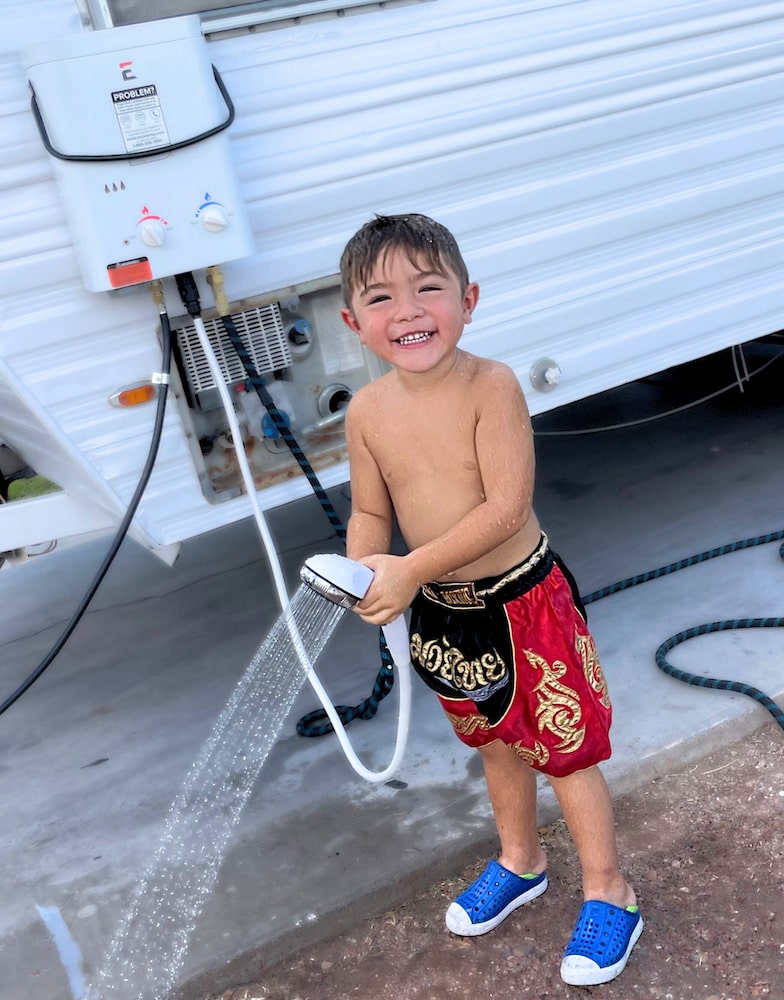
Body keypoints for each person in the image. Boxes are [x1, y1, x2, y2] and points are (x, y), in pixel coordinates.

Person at [338, 212, 642, 986]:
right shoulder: (367, 413)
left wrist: (408, 570)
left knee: (565, 752)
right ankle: (522, 860)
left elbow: (504, 507)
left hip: (524, 602)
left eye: (427, 288)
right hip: (445, 610)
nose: (406, 311)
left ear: (468, 299)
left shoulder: (491, 385)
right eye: (380, 299)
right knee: (496, 743)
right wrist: (366, 566)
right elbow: (373, 512)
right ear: (353, 324)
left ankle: (611, 890)